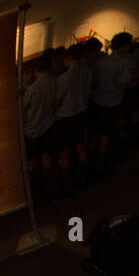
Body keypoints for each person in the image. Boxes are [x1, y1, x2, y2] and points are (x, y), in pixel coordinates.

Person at [88, 31, 135, 174]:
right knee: (106, 134)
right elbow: (122, 85)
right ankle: (100, 166)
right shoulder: (125, 62)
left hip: (97, 100)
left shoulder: (100, 61)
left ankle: (91, 163)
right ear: (125, 45)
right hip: (112, 102)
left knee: (96, 133)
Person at [52, 44, 90, 192]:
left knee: (64, 151)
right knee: (80, 145)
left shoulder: (64, 77)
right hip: (80, 112)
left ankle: (68, 184)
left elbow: (57, 100)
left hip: (66, 116)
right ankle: (83, 178)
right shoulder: (85, 70)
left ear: (67, 59)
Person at [21, 55, 57, 199]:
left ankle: (34, 190)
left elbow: (24, 108)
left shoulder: (32, 89)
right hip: (46, 125)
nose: (30, 75)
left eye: (31, 72)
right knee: (44, 156)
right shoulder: (53, 82)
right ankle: (46, 187)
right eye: (27, 73)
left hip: (34, 128)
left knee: (34, 159)